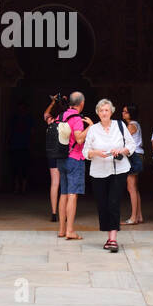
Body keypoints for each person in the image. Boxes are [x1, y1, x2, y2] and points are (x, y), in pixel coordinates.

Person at [83, 98, 134, 252]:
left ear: (111, 112)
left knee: (113, 203)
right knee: (103, 204)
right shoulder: (93, 129)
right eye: (101, 110)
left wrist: (121, 151)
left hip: (119, 169)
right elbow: (85, 151)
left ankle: (112, 239)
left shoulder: (120, 126)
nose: (104, 113)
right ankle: (108, 234)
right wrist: (95, 152)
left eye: (107, 110)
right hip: (98, 172)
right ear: (98, 113)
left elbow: (131, 145)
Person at [57, 90, 91, 241]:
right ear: (81, 103)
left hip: (61, 159)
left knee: (63, 193)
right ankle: (70, 230)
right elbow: (79, 139)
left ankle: (61, 229)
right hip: (74, 159)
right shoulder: (76, 118)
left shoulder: (61, 116)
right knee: (72, 194)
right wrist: (90, 126)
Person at [43, 93, 67, 222]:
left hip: (52, 154)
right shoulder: (68, 120)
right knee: (65, 184)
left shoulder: (51, 120)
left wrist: (53, 102)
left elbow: (45, 114)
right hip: (65, 154)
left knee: (54, 183)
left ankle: (54, 213)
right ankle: (66, 212)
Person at [122, 102, 144, 225]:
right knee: (134, 188)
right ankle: (139, 216)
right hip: (137, 156)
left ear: (131, 114)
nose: (123, 113)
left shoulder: (131, 125)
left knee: (131, 187)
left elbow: (122, 140)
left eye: (125, 111)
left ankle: (133, 217)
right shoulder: (136, 124)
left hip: (134, 156)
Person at [7, 99, 34, 195]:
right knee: (15, 168)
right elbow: (9, 132)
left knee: (24, 168)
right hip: (15, 146)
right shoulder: (14, 118)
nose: (21, 110)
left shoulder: (28, 118)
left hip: (25, 147)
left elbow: (32, 133)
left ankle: (23, 187)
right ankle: (16, 187)